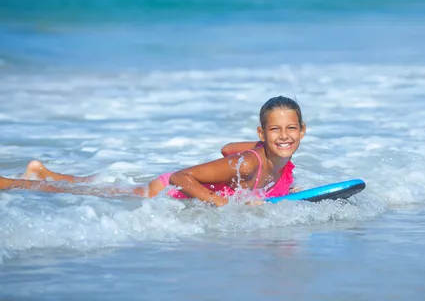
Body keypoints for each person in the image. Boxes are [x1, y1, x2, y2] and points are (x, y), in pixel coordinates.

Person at [0, 96, 306, 207]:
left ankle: (42, 171)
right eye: (275, 130)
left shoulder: (281, 163)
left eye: (291, 129)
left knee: (96, 186)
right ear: (261, 134)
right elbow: (180, 177)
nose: (284, 136)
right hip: (162, 193)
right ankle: (10, 183)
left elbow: (226, 148)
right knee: (91, 193)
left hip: (176, 193)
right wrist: (221, 204)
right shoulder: (248, 163)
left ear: (302, 131)